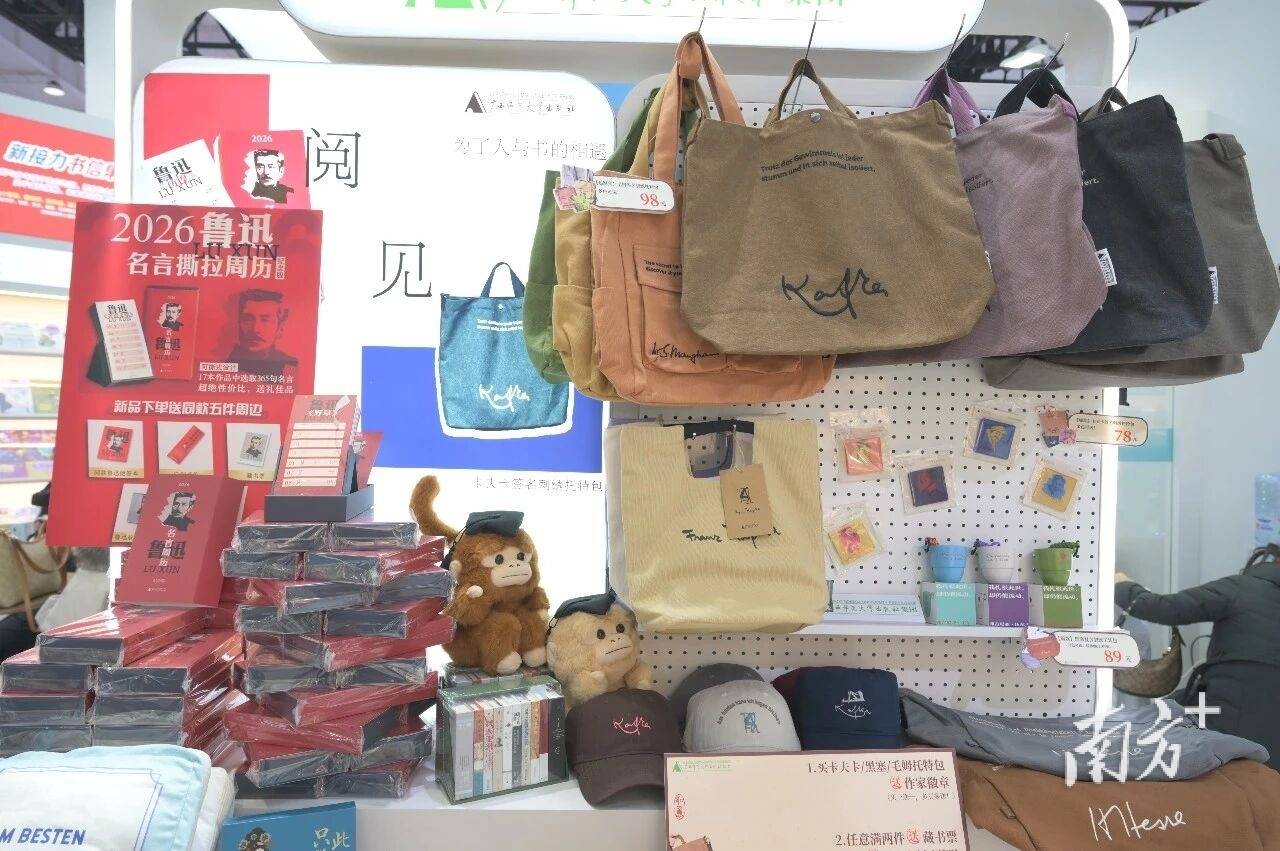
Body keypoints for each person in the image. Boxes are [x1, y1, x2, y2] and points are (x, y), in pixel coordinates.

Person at [1115, 544, 1280, 769]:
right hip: (1268, 738)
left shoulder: (1242, 588)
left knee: (1153, 724)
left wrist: (1121, 583)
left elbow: (1163, 608)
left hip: (1229, 718)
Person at [226, 289, 298, 375]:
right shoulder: (228, 364)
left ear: (280, 328)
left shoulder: (289, 366)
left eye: (265, 320)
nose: (255, 329)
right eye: (247, 320)